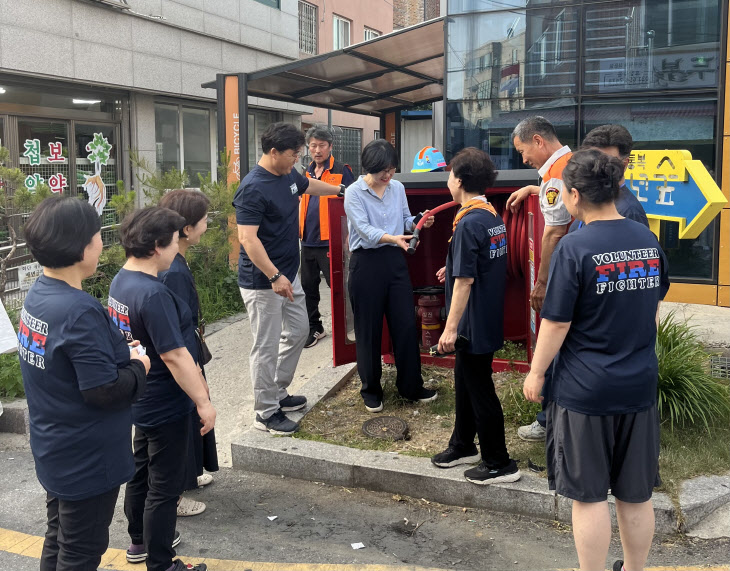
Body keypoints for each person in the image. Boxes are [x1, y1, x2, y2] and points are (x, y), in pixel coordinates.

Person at [523, 149, 669, 571]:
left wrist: (535, 373)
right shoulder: (647, 239)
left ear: (573, 195)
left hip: (585, 390)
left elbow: (555, 323)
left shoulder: (574, 247)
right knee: (635, 493)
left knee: (588, 496)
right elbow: (654, 304)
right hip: (639, 384)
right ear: (616, 188)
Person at [17, 196, 150, 571]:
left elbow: (66, 361)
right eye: (97, 235)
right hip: (87, 459)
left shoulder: (39, 296)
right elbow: (103, 391)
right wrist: (140, 366)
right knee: (80, 552)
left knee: (59, 538)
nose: (101, 244)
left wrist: (114, 349)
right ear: (80, 247)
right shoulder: (79, 311)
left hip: (54, 446)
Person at [110, 207, 215, 571]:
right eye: (174, 241)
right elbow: (174, 355)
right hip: (166, 401)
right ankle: (162, 562)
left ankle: (137, 541)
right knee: (165, 487)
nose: (177, 248)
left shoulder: (120, 280)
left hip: (140, 397)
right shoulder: (153, 294)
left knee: (141, 470)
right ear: (157, 246)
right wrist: (203, 400)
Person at [234, 122, 343, 435]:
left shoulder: (288, 175)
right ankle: (265, 412)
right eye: (293, 155)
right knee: (264, 348)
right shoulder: (253, 188)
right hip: (263, 281)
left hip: (287, 274)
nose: (298, 159)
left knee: (298, 330)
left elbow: (308, 185)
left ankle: (277, 391)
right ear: (273, 152)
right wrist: (274, 275)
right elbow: (247, 239)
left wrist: (341, 190)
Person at [430, 148, 520, 485]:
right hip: (485, 317)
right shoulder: (489, 215)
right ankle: (463, 445)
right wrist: (451, 264)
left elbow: (466, 279)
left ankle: (499, 461)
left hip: (471, 323)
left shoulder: (469, 222)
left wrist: (450, 330)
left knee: (479, 389)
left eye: (450, 173)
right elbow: (476, 263)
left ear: (460, 180)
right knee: (465, 382)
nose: (448, 179)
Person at [344, 138, 437, 413]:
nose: (387, 176)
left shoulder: (397, 187)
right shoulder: (353, 192)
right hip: (366, 263)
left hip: (396, 262)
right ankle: (371, 390)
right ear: (368, 168)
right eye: (382, 171)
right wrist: (393, 238)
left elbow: (406, 218)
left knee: (405, 325)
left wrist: (420, 221)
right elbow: (363, 230)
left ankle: (411, 386)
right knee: (368, 329)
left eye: (391, 170)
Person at [505, 116, 572, 443]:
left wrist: (542, 282)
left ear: (538, 140)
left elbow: (555, 230)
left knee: (556, 340)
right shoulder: (568, 166)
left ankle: (548, 419)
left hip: (566, 271)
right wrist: (536, 187)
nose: (523, 158)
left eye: (523, 151)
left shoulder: (557, 176)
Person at [159, 189, 219, 518]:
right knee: (183, 420)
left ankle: (190, 474)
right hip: (182, 358)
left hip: (184, 352)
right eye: (204, 220)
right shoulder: (174, 271)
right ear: (186, 229)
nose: (207, 225)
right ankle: (176, 495)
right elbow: (179, 331)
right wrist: (195, 373)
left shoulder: (174, 262)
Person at [300, 125, 355, 348]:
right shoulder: (305, 172)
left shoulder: (343, 171)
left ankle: (348, 328)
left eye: (321, 145)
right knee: (308, 287)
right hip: (307, 240)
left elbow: (353, 205)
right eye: (313, 145)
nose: (317, 150)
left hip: (331, 241)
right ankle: (315, 328)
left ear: (330, 147)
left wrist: (348, 236)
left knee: (339, 287)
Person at [569, 124, 649, 233]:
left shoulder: (629, 212)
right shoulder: (588, 199)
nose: (598, 167)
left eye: (607, 162)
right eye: (592, 160)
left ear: (624, 165)